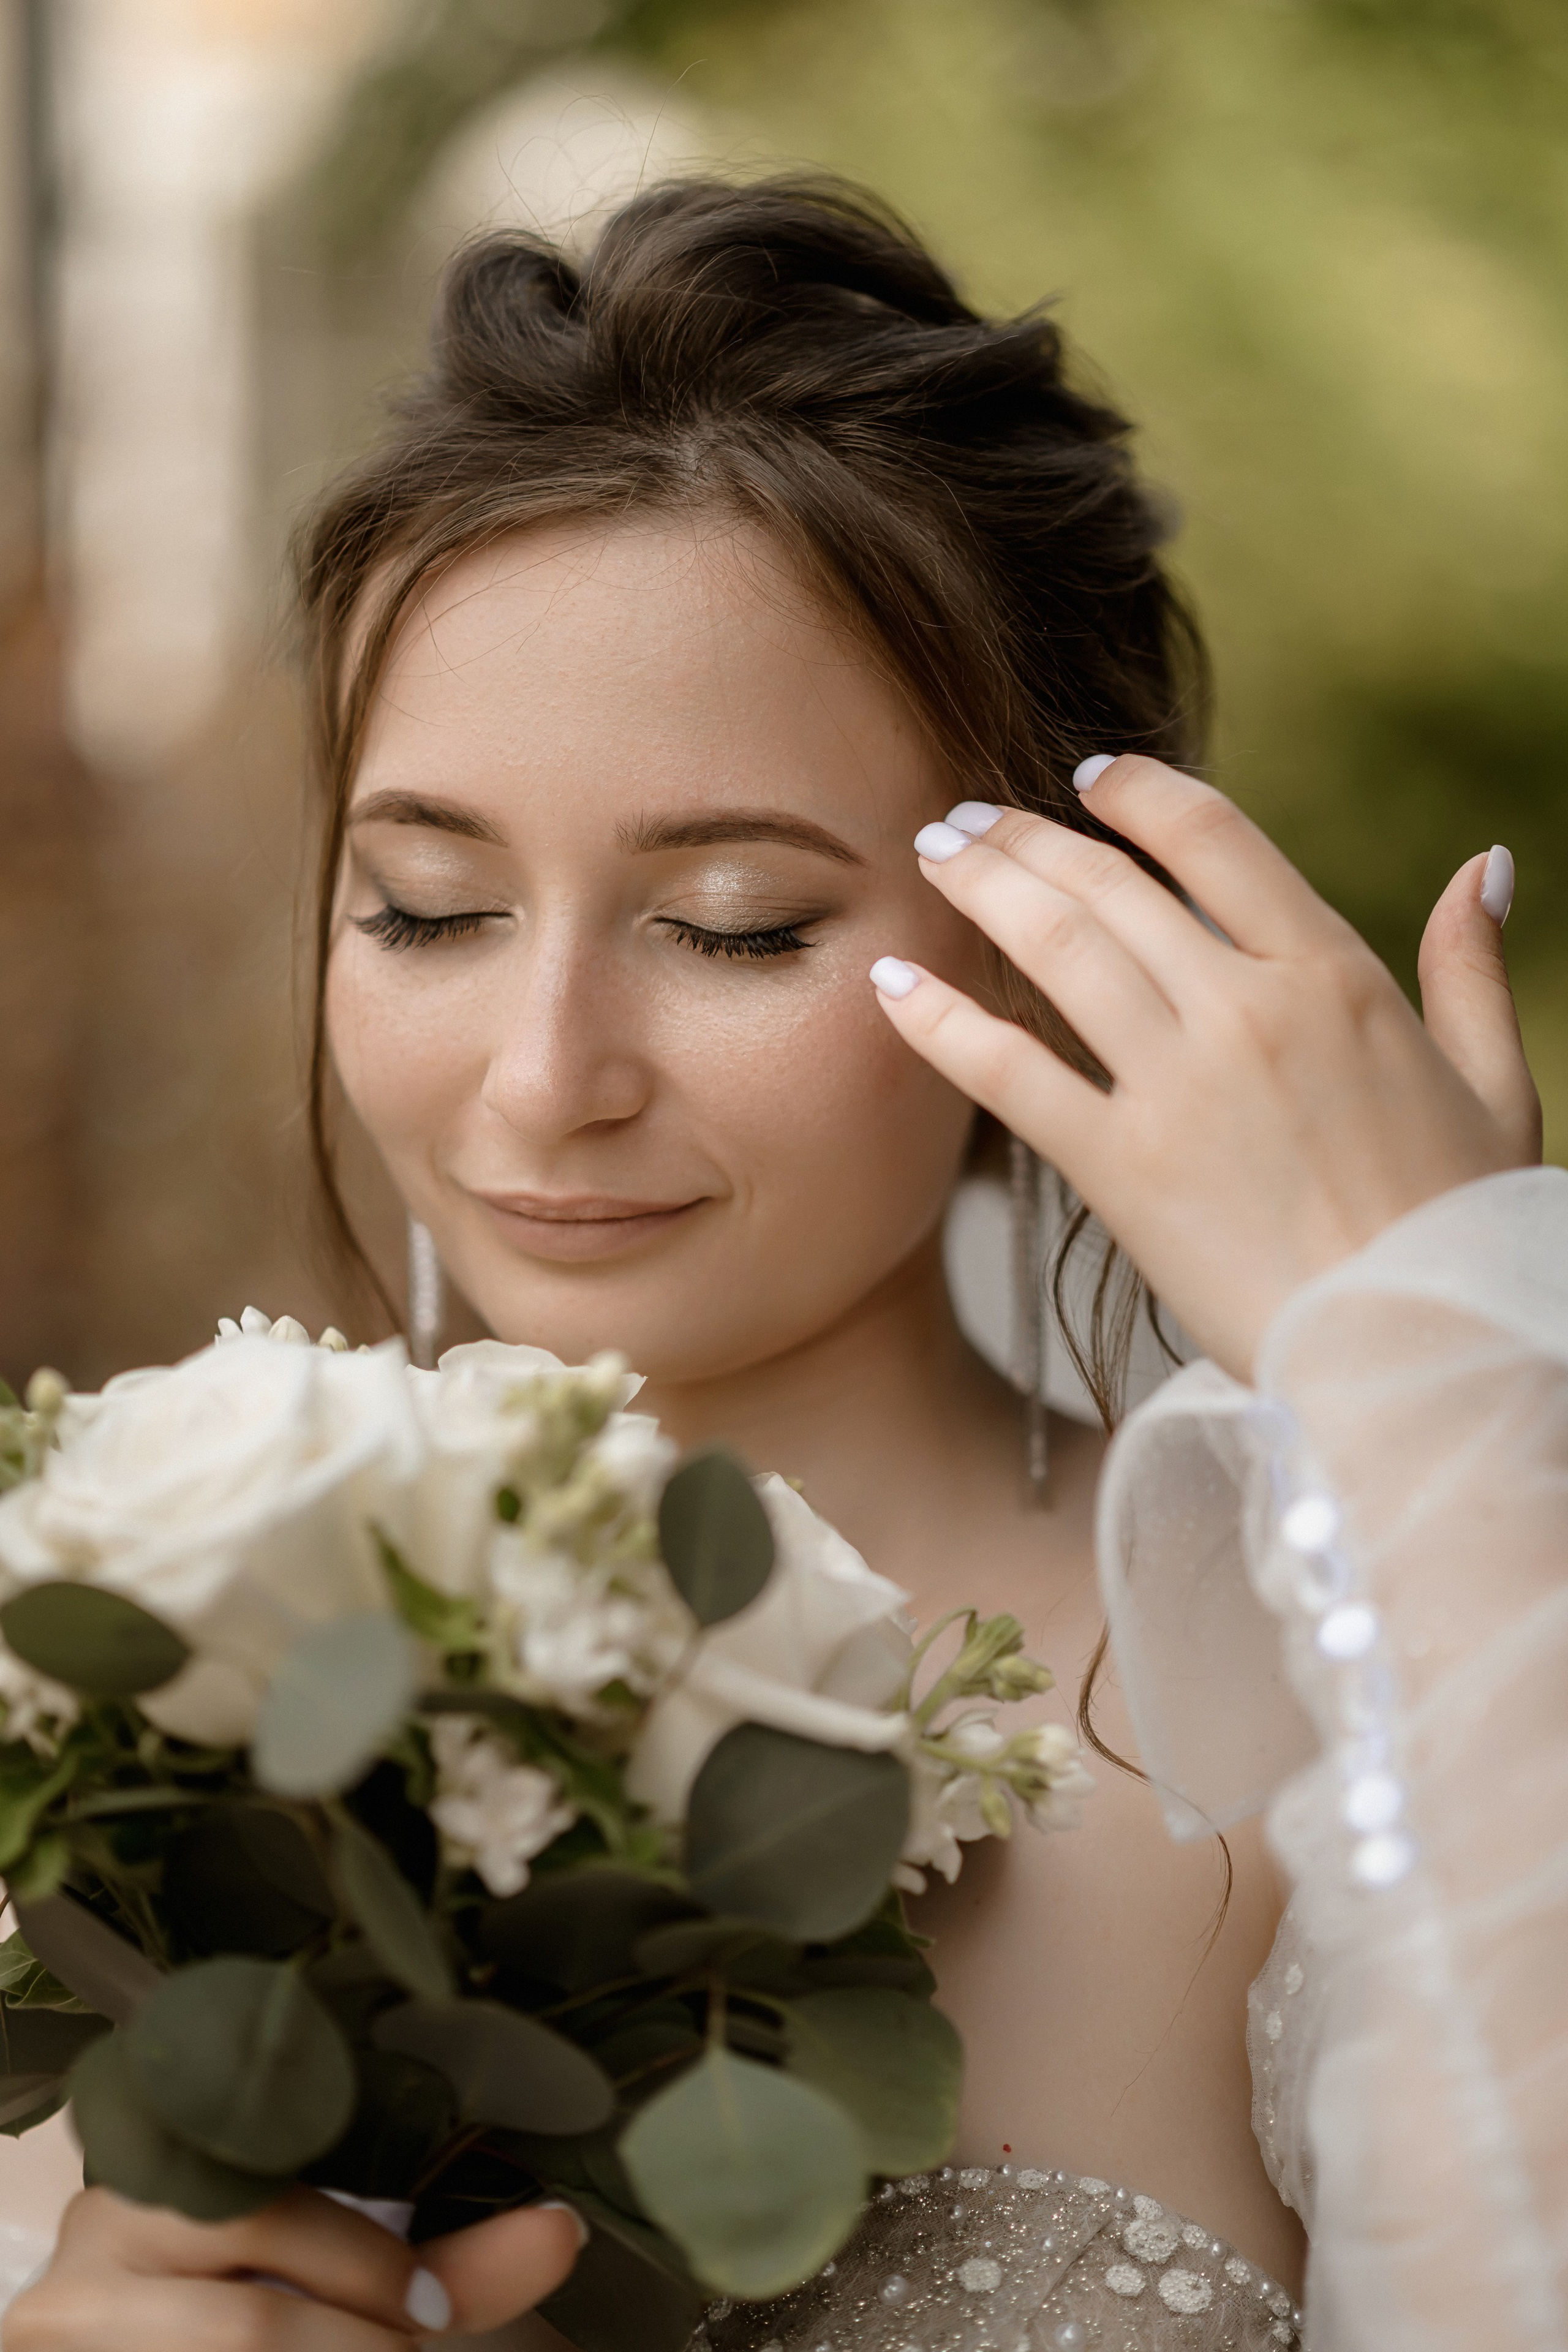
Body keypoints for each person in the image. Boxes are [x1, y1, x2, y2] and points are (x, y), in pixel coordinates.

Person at [9, 179, 1561, 2352]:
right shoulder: (148, 1691)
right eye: (430, 909)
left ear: (1050, 931)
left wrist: (1440, 1414)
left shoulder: (1350, 1724)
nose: (545, 1081)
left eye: (735, 921)